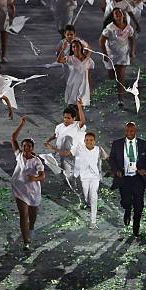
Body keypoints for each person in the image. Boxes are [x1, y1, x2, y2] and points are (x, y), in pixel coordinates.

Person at [49, 131, 109, 228]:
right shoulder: (79, 148)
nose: (89, 142)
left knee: (94, 197)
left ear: (94, 141)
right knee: (86, 195)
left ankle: (92, 221)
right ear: (84, 141)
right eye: (87, 140)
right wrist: (53, 149)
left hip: (95, 177)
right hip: (84, 177)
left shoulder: (99, 149)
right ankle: (86, 201)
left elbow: (107, 158)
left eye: (91, 140)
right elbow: (66, 153)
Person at [109, 122, 146, 238]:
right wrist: (117, 170)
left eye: (132, 131)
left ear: (135, 131)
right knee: (126, 201)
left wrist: (145, 171)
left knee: (139, 205)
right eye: (127, 131)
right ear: (125, 131)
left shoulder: (143, 144)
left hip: (138, 179)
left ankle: (136, 228)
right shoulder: (117, 144)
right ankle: (127, 210)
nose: (129, 133)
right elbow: (112, 159)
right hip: (124, 178)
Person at [11, 117, 45, 250]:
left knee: (33, 214)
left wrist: (34, 178)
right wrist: (21, 124)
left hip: (33, 190)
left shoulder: (37, 161)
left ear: (32, 148)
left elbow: (42, 176)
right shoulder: (18, 155)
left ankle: (31, 228)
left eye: (28, 146)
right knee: (23, 215)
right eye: (24, 146)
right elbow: (13, 138)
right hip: (20, 190)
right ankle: (26, 242)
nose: (26, 148)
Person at [100, 8, 136, 108]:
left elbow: (132, 39)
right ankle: (112, 73)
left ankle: (121, 99)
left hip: (123, 55)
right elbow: (101, 41)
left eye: (120, 13)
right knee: (111, 76)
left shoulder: (129, 28)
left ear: (123, 15)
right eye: (116, 13)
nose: (118, 14)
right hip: (111, 54)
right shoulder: (109, 28)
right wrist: (104, 54)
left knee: (120, 77)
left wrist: (132, 51)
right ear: (113, 17)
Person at [44, 102, 86, 180]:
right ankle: (63, 175)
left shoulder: (77, 125)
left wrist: (80, 107)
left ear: (73, 118)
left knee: (67, 138)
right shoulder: (59, 126)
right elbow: (55, 135)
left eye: (68, 118)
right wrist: (48, 141)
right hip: (59, 152)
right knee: (47, 159)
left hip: (71, 152)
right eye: (65, 117)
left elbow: (83, 121)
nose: (66, 120)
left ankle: (71, 176)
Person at [57, 40, 95, 107]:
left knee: (81, 106)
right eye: (73, 47)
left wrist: (90, 88)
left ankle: (79, 117)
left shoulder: (89, 60)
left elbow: (89, 75)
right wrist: (63, 49)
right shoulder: (70, 59)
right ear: (72, 49)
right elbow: (59, 60)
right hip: (73, 85)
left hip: (83, 86)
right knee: (73, 106)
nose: (76, 48)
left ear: (81, 47)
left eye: (77, 46)